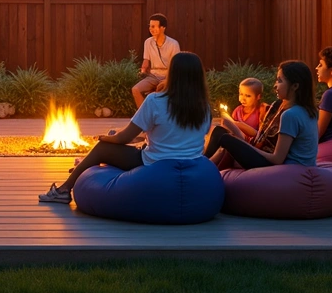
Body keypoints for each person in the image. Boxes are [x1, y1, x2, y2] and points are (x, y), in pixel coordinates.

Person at [40, 51, 212, 203]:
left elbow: (125, 137)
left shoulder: (155, 101)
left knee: (104, 147)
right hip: (193, 165)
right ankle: (78, 172)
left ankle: (63, 191)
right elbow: (186, 135)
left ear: (173, 74)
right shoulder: (204, 107)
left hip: (155, 163)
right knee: (121, 137)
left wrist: (106, 138)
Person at [204, 60, 318, 169]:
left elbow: (277, 159)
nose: (275, 85)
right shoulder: (305, 110)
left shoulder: (290, 115)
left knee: (225, 139)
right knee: (221, 134)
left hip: (280, 167)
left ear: (295, 86)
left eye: (280, 81)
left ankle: (203, 167)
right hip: (279, 160)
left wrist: (246, 145)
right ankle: (205, 165)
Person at [131, 14, 181, 108]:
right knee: (136, 89)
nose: (151, 28)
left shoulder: (173, 44)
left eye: (153, 26)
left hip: (168, 76)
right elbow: (146, 61)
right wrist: (142, 72)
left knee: (160, 91)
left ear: (162, 28)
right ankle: (144, 113)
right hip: (153, 76)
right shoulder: (148, 42)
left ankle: (161, 115)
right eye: (150, 26)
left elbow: (176, 65)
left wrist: (167, 80)